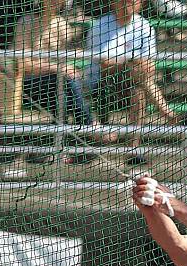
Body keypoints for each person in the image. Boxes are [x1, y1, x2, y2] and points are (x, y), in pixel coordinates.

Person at [12, 0, 115, 161]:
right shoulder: (26, 22)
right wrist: (57, 68)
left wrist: (68, 67)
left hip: (58, 85)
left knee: (63, 96)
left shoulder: (61, 24)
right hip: (31, 84)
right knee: (64, 84)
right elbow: (24, 64)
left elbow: (66, 60)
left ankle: (59, 149)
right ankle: (90, 126)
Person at [84, 0, 179, 164]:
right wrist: (133, 61)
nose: (128, 4)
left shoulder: (144, 26)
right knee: (137, 74)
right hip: (102, 83)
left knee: (138, 91)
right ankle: (168, 113)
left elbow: (150, 66)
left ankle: (133, 150)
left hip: (132, 84)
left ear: (140, 4)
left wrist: (131, 62)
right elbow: (104, 63)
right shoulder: (100, 25)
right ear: (113, 3)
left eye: (132, 0)